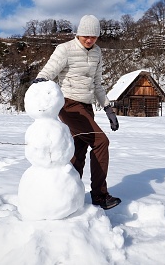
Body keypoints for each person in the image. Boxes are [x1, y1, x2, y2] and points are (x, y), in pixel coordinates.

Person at [32, 14, 121, 210]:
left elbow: (97, 84)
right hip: (69, 106)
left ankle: (69, 195)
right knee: (100, 142)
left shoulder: (97, 53)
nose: (89, 40)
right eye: (85, 36)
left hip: (87, 106)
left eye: (94, 37)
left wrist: (107, 108)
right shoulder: (65, 49)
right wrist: (39, 85)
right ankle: (99, 195)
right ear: (78, 34)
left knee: (77, 152)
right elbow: (48, 72)